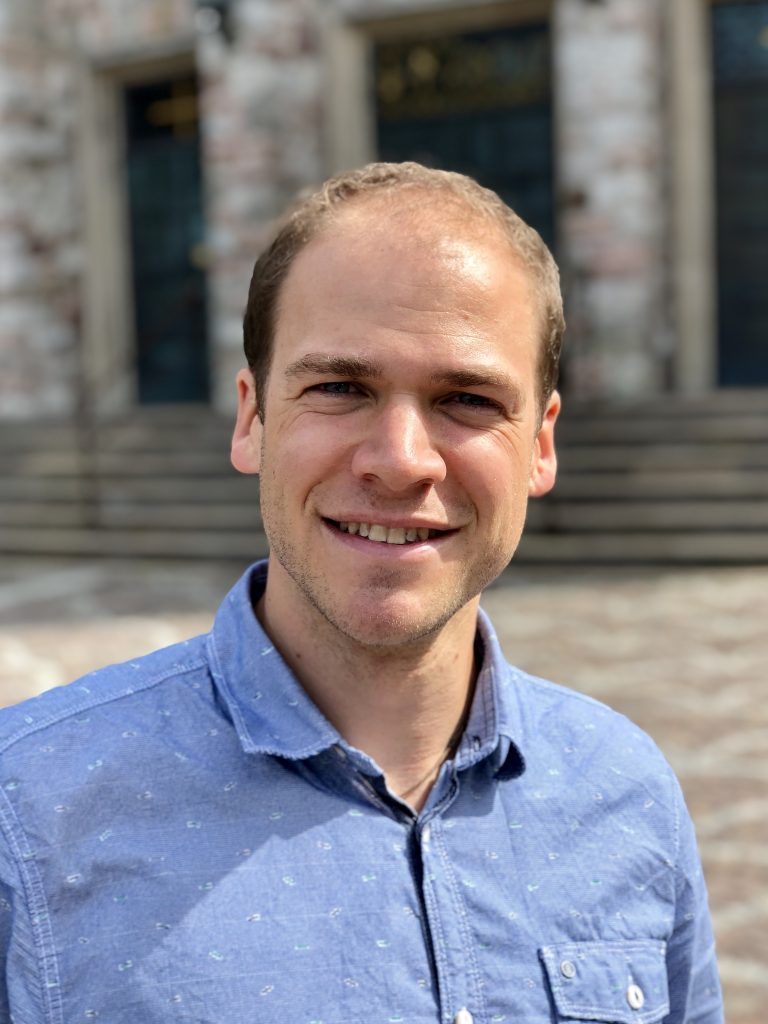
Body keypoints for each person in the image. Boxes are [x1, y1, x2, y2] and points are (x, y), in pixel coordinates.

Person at [0, 163, 722, 1024]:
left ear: (540, 444)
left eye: (467, 398)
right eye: (341, 388)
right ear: (251, 418)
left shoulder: (627, 791)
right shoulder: (29, 813)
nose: (401, 460)